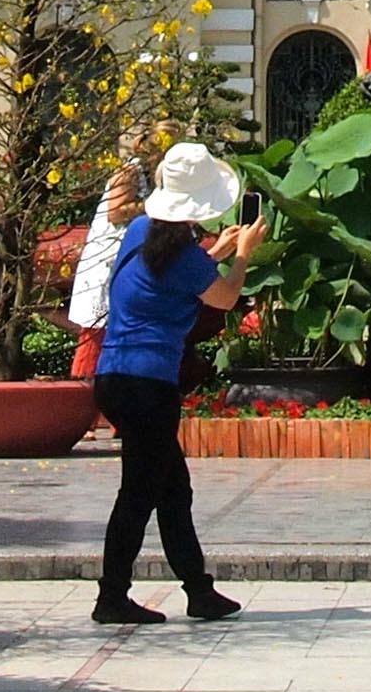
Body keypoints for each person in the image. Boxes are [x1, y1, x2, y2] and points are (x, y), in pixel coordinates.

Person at [92, 141, 264, 626]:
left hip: (116, 376)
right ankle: (112, 596)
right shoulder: (188, 258)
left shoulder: (141, 232)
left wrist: (218, 250)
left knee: (170, 488)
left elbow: (169, 268)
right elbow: (225, 298)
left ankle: (199, 590)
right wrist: (242, 257)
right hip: (148, 385)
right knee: (141, 492)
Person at [64, 145, 152, 379]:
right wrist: (151, 206)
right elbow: (115, 212)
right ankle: (83, 388)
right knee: (95, 332)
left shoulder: (148, 175)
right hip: (107, 261)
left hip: (127, 260)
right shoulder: (130, 172)